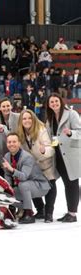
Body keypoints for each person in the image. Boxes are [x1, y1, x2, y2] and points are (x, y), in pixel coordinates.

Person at [45, 94, 81, 222]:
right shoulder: (50, 118)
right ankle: (70, 212)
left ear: (60, 101)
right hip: (58, 155)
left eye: (56, 101)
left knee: (72, 183)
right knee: (67, 184)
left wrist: (71, 133)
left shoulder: (71, 114)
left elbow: (80, 131)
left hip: (70, 154)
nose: (54, 103)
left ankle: (72, 214)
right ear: (49, 105)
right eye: (51, 102)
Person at [16, 109, 56, 222]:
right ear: (21, 121)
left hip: (45, 164)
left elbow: (51, 149)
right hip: (33, 167)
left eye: (29, 118)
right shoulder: (20, 133)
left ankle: (49, 213)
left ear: (33, 119)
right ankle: (40, 210)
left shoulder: (41, 130)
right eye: (24, 118)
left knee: (50, 186)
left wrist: (44, 151)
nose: (27, 120)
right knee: (32, 186)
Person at [2, 133, 50, 224]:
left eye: (14, 142)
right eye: (9, 142)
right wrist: (8, 187)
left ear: (19, 143)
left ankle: (29, 213)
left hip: (39, 186)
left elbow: (24, 176)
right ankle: (20, 210)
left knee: (23, 184)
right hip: (25, 186)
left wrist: (11, 169)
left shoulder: (26, 157)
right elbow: (7, 174)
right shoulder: (7, 156)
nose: (11, 144)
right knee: (6, 194)